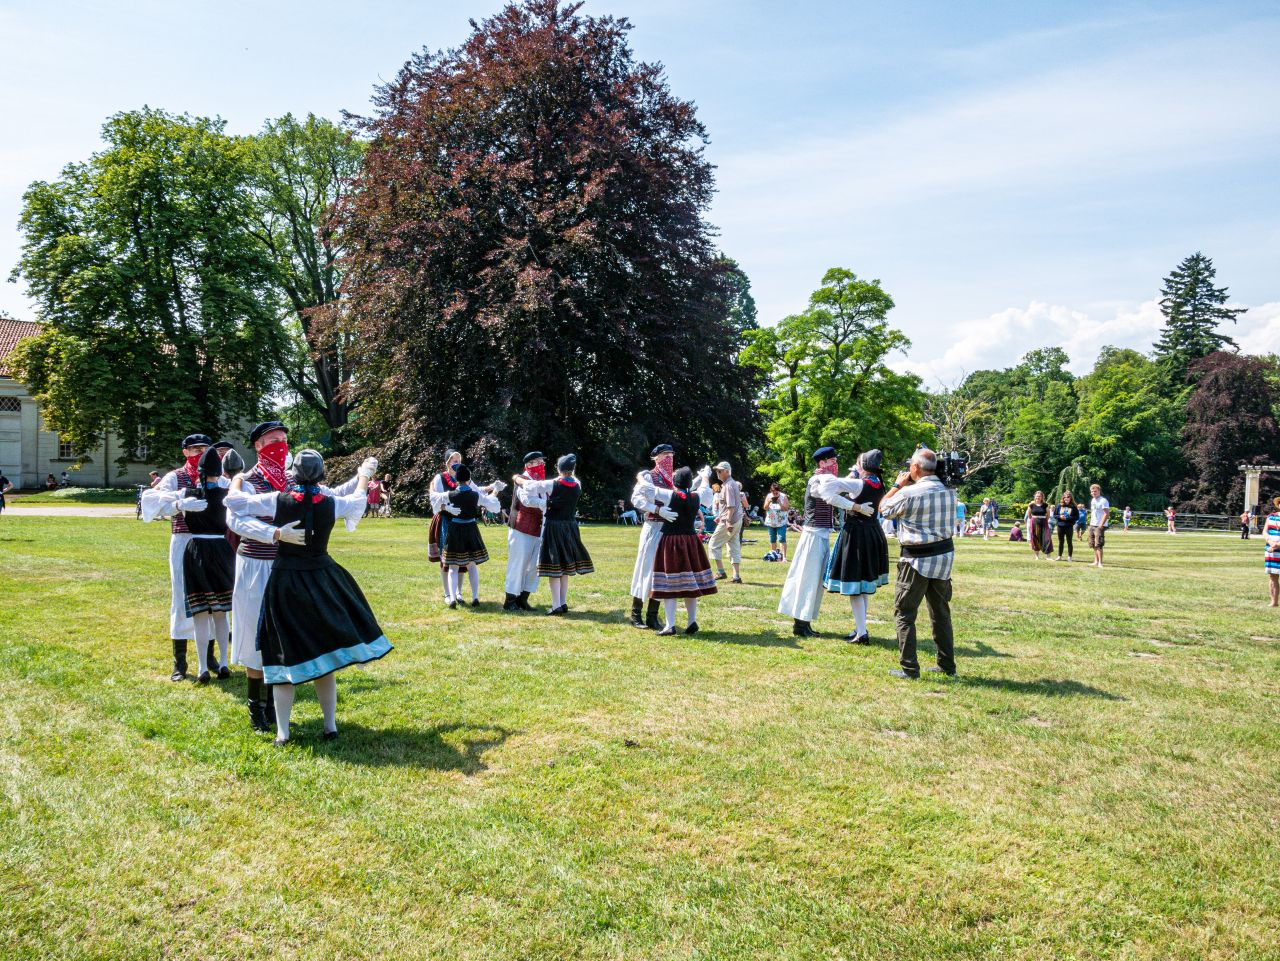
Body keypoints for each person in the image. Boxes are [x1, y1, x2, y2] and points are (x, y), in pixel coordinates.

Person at [224, 449, 389, 746]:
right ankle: (329, 726)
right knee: (322, 653)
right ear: (322, 476)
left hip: (286, 580)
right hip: (321, 578)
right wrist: (365, 475)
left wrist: (236, 478)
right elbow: (357, 501)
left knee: (281, 656)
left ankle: (282, 733)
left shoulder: (279, 500)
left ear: (293, 475)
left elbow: (234, 502)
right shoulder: (329, 502)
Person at [877, 448, 957, 679]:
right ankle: (947, 665)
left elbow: (884, 509)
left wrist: (897, 485)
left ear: (915, 468)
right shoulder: (950, 491)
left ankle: (909, 668)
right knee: (940, 613)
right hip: (943, 558)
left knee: (905, 613)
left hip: (915, 560)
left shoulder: (910, 492)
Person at [140, 433, 214, 682]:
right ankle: (180, 661)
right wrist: (180, 503)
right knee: (182, 595)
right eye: (194, 449)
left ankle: (210, 656)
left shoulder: (218, 475)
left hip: (212, 542)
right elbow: (152, 501)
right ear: (185, 452)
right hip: (184, 539)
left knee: (213, 595)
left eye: (204, 448)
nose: (199, 453)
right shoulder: (175, 476)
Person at [778, 447, 869, 638]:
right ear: (822, 463)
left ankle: (805, 622)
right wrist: (856, 506)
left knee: (815, 581)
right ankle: (801, 624)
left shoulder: (827, 479)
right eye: (832, 461)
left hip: (820, 535)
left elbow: (839, 486)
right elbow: (833, 497)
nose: (835, 464)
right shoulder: (816, 480)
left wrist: (854, 475)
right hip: (812, 535)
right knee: (807, 579)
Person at [177, 447, 235, 683]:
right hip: (221, 550)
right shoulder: (227, 493)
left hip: (196, 550)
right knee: (220, 612)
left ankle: (202, 666)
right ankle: (222, 662)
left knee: (200, 612)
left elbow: (163, 502)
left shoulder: (188, 493)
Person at [822, 449, 890, 644]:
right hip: (872, 531)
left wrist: (851, 475)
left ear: (863, 466)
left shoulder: (859, 483)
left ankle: (862, 633)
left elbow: (829, 486)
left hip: (857, 534)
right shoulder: (878, 482)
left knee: (856, 586)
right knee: (863, 586)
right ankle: (860, 628)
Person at [513, 454, 595, 615]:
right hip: (570, 526)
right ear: (573, 469)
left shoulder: (553, 484)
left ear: (558, 468)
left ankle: (556, 605)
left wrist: (516, 478)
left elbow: (530, 486)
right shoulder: (577, 483)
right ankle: (563, 603)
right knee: (564, 568)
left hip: (554, 526)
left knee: (554, 568)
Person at [647, 466, 716, 634]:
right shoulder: (696, 496)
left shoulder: (670, 495)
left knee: (670, 584)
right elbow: (706, 493)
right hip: (690, 541)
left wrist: (641, 478)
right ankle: (691, 621)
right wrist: (705, 476)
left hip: (671, 542)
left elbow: (649, 490)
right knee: (690, 583)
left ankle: (670, 625)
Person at [431, 465, 505, 608]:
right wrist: (496, 490)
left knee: (452, 566)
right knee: (471, 565)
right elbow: (492, 505)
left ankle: (452, 598)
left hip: (455, 529)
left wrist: (446, 507)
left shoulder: (450, 494)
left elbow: (434, 499)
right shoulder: (475, 495)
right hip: (470, 529)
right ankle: (475, 596)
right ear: (469, 479)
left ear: (456, 480)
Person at [628, 444, 679, 629]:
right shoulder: (649, 476)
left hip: (667, 529)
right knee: (645, 568)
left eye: (671, 455)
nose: (669, 459)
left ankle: (652, 615)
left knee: (661, 571)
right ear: (656, 458)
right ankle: (635, 614)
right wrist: (656, 509)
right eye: (665, 455)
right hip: (652, 526)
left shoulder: (673, 480)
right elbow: (636, 499)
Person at [504, 451, 547, 611]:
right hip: (521, 528)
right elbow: (526, 500)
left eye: (542, 461)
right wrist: (546, 504)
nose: (541, 464)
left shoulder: (541, 481)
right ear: (528, 465)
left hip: (538, 529)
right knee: (518, 564)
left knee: (535, 566)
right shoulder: (524, 480)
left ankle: (523, 598)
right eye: (537, 461)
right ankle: (510, 601)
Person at [428, 451, 463, 601]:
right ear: (447, 462)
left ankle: (459, 593)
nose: (456, 462)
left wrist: (492, 489)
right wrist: (446, 507)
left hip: (461, 520)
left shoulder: (464, 476)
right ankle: (448, 593)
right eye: (453, 460)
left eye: (458, 460)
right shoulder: (440, 478)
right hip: (445, 520)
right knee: (446, 558)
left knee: (462, 558)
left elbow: (476, 491)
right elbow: (434, 499)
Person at [707, 461, 745, 583]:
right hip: (736, 519)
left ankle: (720, 572)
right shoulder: (731, 484)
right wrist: (722, 516)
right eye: (716, 471)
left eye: (720, 471)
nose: (717, 473)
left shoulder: (728, 485)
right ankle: (736, 576)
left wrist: (727, 521)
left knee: (713, 545)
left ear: (727, 471)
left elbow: (731, 506)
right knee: (733, 546)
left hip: (730, 521)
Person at [763, 483, 791, 562]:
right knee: (772, 539)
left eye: (776, 492)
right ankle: (774, 556)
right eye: (773, 492)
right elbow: (765, 508)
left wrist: (780, 503)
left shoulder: (783, 496)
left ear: (778, 490)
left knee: (782, 539)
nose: (775, 494)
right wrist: (768, 502)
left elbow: (786, 508)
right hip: (771, 521)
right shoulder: (769, 496)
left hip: (781, 521)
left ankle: (784, 558)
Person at [1088, 483, 1110, 568]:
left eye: (1095, 491)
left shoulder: (1103, 501)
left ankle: (1100, 562)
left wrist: (1101, 525)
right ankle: (1095, 561)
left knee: (1099, 544)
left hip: (1099, 525)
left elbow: (1106, 513)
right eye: (1092, 491)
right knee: (1093, 543)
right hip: (1092, 524)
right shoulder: (1093, 500)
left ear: (1099, 491)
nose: (1093, 493)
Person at [1053, 491, 1079, 562]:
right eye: (1065, 497)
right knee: (1061, 541)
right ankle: (1059, 556)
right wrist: (1060, 517)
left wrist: (1068, 518)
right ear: (1063, 498)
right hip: (1060, 526)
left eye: (1068, 497)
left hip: (1069, 526)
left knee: (1069, 542)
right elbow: (1054, 515)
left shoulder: (1073, 506)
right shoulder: (1059, 506)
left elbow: (1076, 517)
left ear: (1071, 498)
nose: (1066, 499)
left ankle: (1069, 557)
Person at [1263, 497, 1280, 606]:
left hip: (1274, 548)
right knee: (1273, 576)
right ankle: (1274, 602)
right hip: (1271, 550)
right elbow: (1264, 531)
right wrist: (1269, 541)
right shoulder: (1271, 517)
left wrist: (1276, 545)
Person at [1026, 491, 1051, 559]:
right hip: (1034, 522)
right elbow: (1029, 515)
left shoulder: (1045, 505)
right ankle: (1037, 556)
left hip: (1043, 523)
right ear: (1034, 497)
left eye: (1039, 496)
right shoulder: (1031, 505)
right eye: (1036, 496)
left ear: (1042, 497)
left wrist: (1044, 520)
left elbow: (1048, 515)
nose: (1038, 497)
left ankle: (1048, 556)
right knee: (1035, 539)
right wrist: (1034, 520)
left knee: (1047, 538)